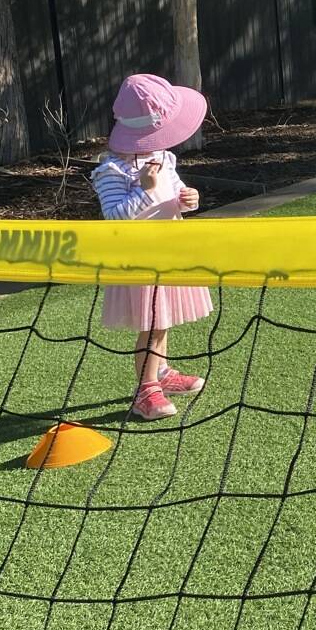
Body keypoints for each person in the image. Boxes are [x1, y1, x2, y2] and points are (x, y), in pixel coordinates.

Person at [89, 73, 212, 420]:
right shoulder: (111, 170)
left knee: (164, 318)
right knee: (153, 321)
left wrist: (188, 200)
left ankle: (160, 372)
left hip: (168, 251)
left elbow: (175, 196)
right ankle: (145, 390)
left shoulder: (163, 158)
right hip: (138, 260)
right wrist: (144, 188)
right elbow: (115, 218)